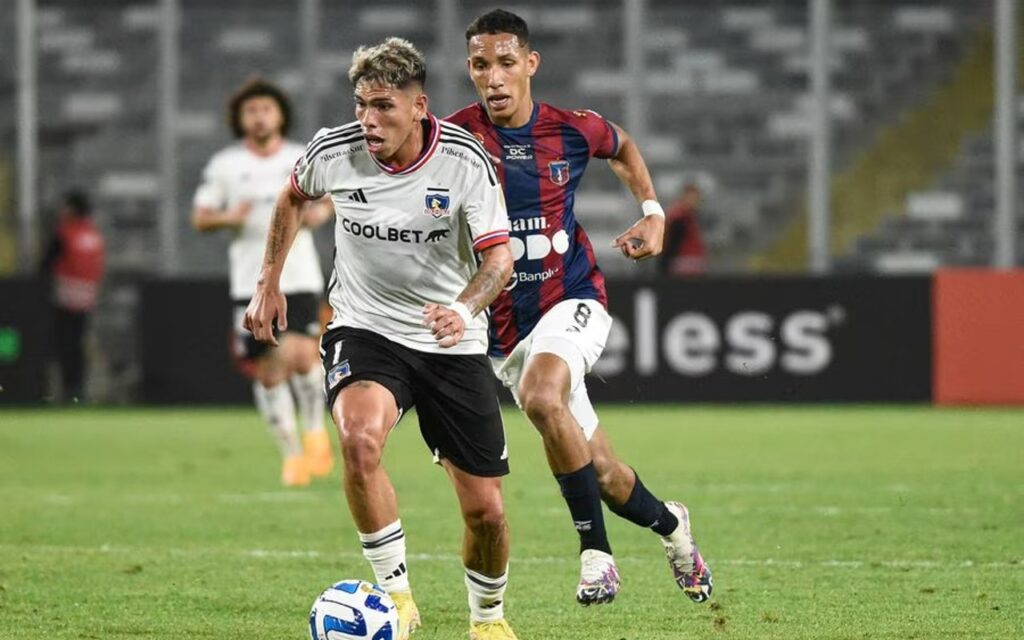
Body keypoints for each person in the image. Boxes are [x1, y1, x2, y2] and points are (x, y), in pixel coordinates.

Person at [244, 38, 518, 640]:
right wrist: (269, 280)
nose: (369, 120)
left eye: (385, 107)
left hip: (450, 337)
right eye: (362, 104)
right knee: (360, 441)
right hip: (364, 326)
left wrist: (464, 306)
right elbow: (293, 196)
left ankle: (488, 621)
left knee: (486, 512)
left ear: (420, 106)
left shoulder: (465, 161)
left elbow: (500, 260)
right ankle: (396, 598)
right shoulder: (334, 151)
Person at [447, 9, 712, 606]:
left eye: (506, 63)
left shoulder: (570, 129)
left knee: (544, 396)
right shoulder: (454, 140)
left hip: (572, 298)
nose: (493, 78)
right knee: (606, 476)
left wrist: (653, 211)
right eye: (480, 65)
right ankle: (674, 527)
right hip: (504, 332)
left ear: (530, 65)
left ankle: (596, 556)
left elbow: (622, 147)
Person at [192, 78, 334, 487]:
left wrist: (318, 215)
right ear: (240, 118)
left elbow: (328, 200)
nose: (259, 117)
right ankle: (291, 456)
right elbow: (201, 217)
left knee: (306, 356)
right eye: (251, 110)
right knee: (270, 368)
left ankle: (313, 430)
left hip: (300, 274)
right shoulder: (225, 165)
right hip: (249, 281)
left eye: (266, 109)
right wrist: (228, 217)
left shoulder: (299, 156)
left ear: (280, 115)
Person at [39, 190, 105, 402]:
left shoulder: (65, 233)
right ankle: (77, 389)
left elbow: (46, 264)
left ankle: (62, 389)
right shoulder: (93, 235)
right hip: (86, 298)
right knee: (77, 346)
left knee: (60, 345)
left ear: (72, 209)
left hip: (63, 297)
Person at [660, 182, 707, 276]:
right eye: (693, 197)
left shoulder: (690, 216)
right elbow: (673, 241)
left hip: (690, 260)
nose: (696, 201)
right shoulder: (679, 216)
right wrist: (665, 262)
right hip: (685, 262)